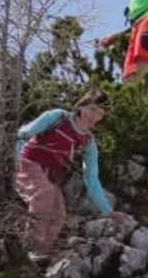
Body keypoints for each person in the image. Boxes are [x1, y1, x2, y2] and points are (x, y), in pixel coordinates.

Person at [13, 89, 128, 260]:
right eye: (92, 109)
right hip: (28, 163)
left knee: (59, 213)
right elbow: (23, 134)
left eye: (100, 113)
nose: (94, 116)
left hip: (50, 175)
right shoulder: (58, 117)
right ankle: (30, 248)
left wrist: (107, 210)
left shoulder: (89, 142)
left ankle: (42, 254)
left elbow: (91, 178)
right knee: (44, 194)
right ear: (81, 107)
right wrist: (15, 161)